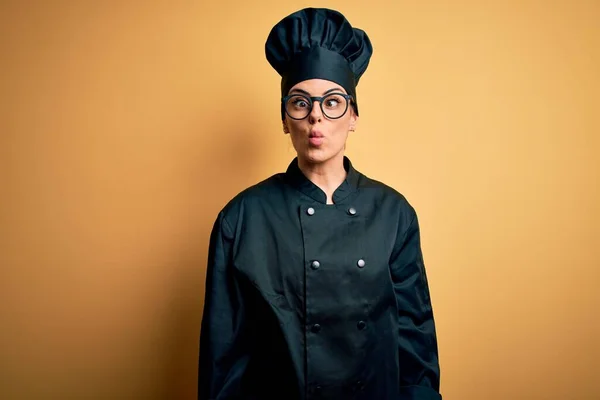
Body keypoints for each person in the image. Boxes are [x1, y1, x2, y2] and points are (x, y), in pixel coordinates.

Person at [198, 7, 441, 400]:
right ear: (284, 119)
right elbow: (223, 355)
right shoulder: (241, 218)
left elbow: (415, 340)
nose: (316, 119)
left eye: (332, 102)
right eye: (300, 103)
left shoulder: (394, 214)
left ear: (354, 116)